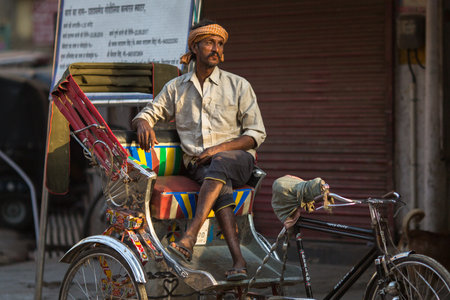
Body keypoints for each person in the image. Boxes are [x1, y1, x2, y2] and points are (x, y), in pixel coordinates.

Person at [132, 20, 266, 281]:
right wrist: (142, 122)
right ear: (194, 47)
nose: (215, 48)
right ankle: (238, 261)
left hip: (239, 161)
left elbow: (256, 134)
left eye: (219, 44)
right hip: (201, 167)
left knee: (222, 162)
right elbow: (149, 112)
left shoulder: (238, 85)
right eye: (209, 43)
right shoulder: (176, 88)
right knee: (218, 180)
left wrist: (219, 148)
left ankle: (190, 235)